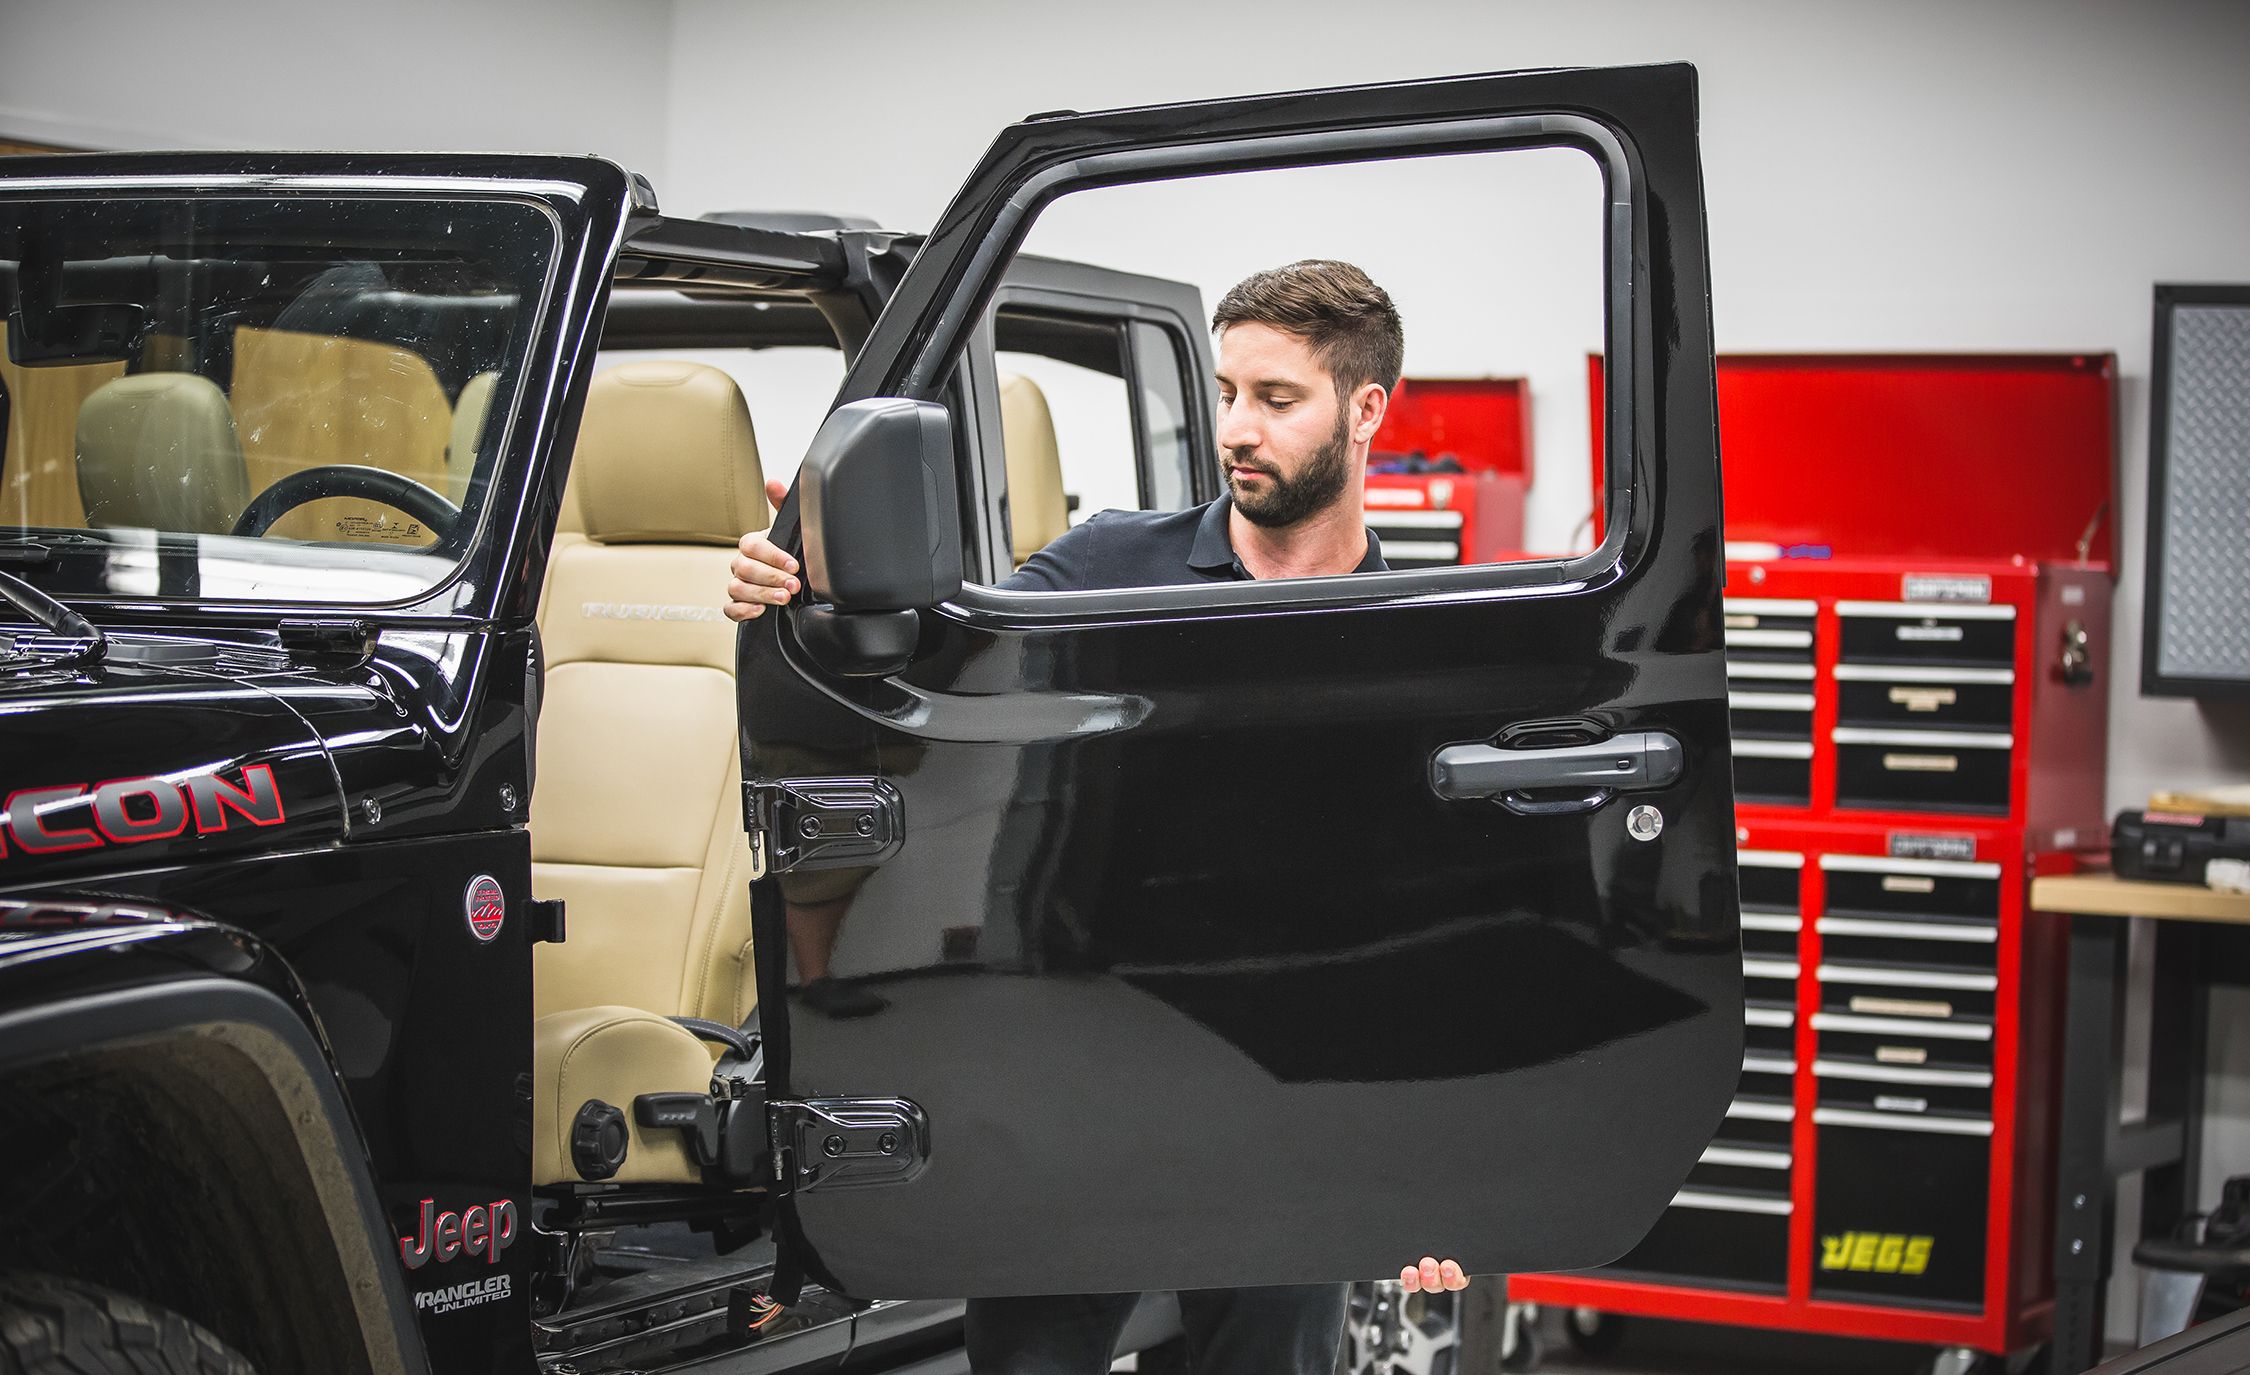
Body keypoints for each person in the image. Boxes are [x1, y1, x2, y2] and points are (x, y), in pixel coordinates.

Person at [725, 260, 1469, 1373]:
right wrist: (798, 595)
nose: (1237, 429)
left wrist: (1438, 1178)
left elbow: (1443, 935)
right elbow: (932, 675)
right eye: (1226, 393)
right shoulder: (1112, 563)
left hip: (1289, 1107)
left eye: (1276, 399)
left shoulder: (1416, 636)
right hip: (1073, 1087)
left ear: (1366, 410)